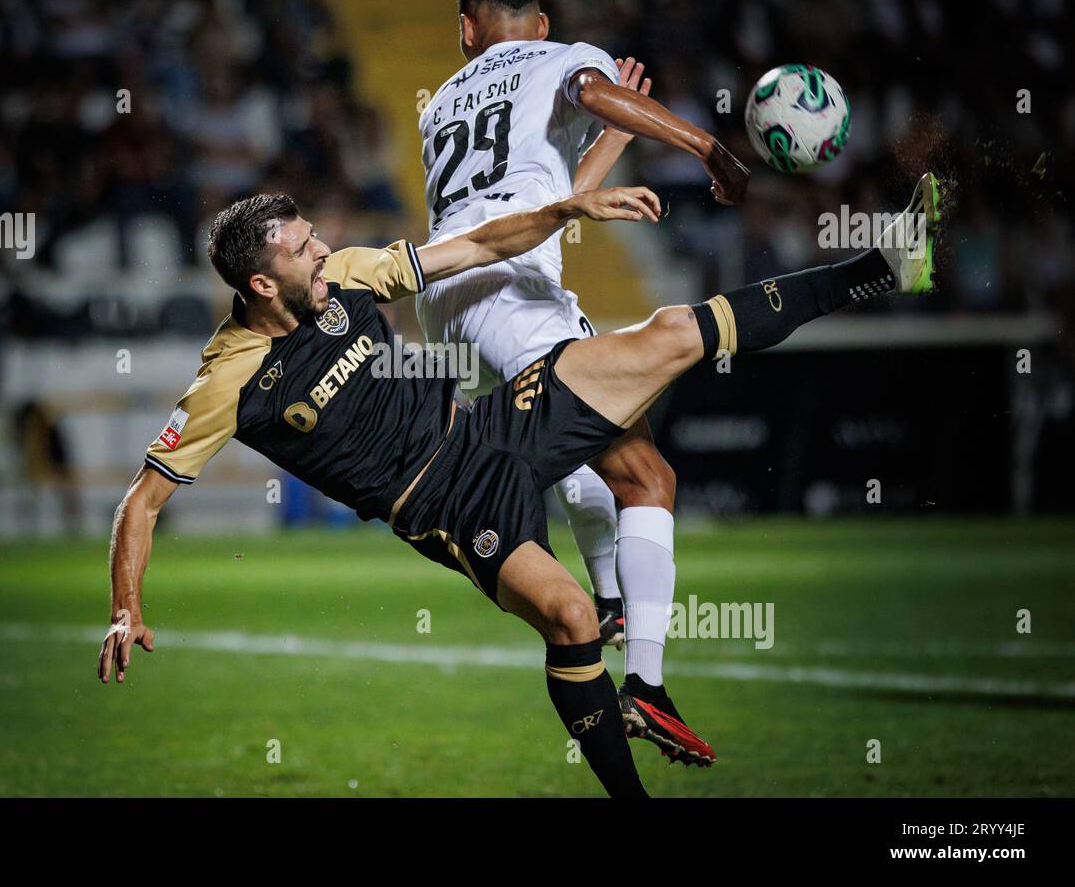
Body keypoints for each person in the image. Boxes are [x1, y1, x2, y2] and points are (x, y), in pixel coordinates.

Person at [97, 171, 942, 798]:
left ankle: (879, 267)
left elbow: (473, 246)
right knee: (572, 618)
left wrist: (566, 211)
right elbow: (142, 499)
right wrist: (127, 606)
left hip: (491, 424)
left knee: (673, 331)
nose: (323, 249)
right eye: (304, 248)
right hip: (444, 503)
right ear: (260, 284)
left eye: (316, 236)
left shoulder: (346, 277)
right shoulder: (228, 383)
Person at [415, 0, 749, 764]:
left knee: (581, 467)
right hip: (516, 295)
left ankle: (607, 604)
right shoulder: (561, 56)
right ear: (540, 23)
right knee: (648, 479)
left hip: (450, 299)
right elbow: (595, 91)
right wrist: (705, 143)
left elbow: (541, 200)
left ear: (468, 30)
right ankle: (648, 687)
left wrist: (612, 139)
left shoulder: (441, 107)